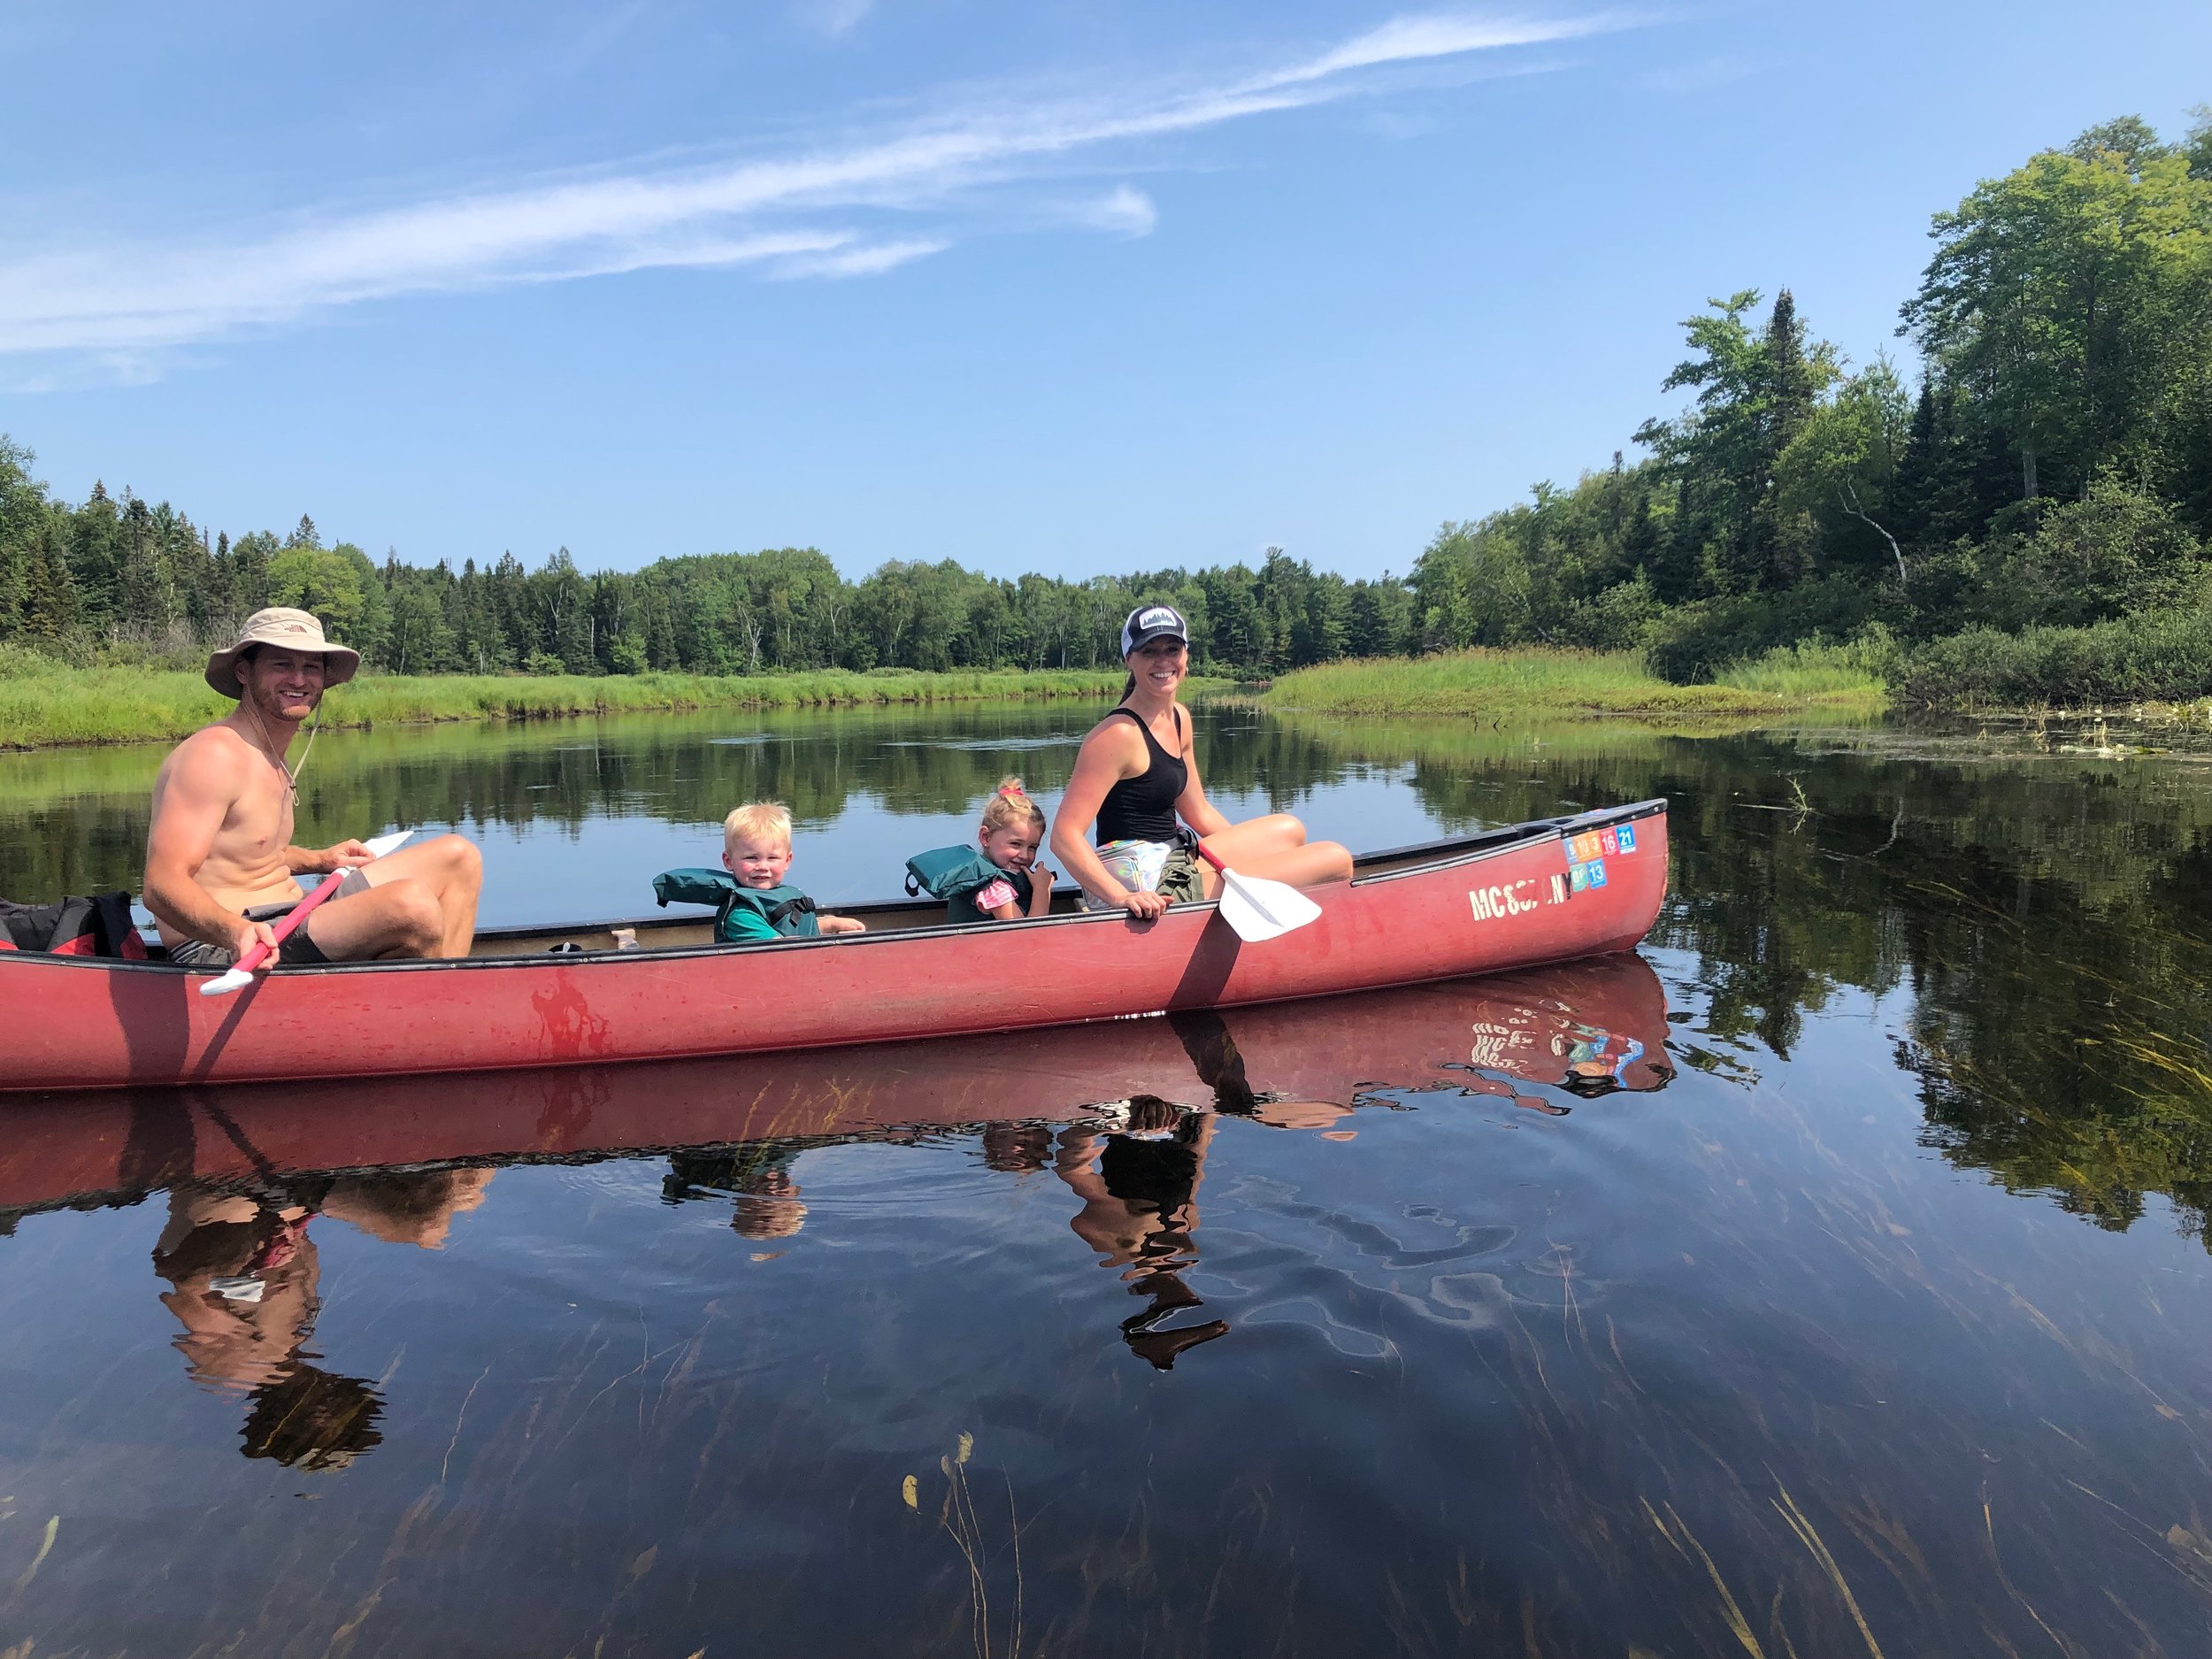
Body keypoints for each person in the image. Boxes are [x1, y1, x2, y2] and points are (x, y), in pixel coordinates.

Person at [142, 607, 483, 972]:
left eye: (311, 668)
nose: (298, 679)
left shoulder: (272, 753)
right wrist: (234, 931)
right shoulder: (214, 755)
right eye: (281, 665)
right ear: (243, 671)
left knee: (457, 856)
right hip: (226, 946)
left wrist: (322, 860)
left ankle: (442, 991)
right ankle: (432, 1009)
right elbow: (160, 884)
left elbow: (249, 851)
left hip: (295, 911)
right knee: (410, 904)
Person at [1048, 603, 1352, 919]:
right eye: (1149, 651)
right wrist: (1121, 896)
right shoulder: (1116, 735)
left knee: (1290, 831)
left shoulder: (1179, 717)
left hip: (1177, 859)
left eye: (1172, 648)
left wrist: (1248, 863)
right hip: (1149, 885)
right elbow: (1064, 837)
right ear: (1129, 659)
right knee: (1336, 859)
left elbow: (1199, 812)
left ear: (1186, 655)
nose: (1163, 661)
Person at [653, 801, 864, 944]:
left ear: (787, 861)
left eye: (772, 858)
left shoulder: (777, 897)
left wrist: (828, 925)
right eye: (751, 858)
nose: (762, 866)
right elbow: (783, 949)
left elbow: (789, 926)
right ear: (728, 861)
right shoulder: (741, 916)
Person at [904, 777, 1057, 924]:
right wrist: (1042, 889)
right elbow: (1029, 935)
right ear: (986, 838)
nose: (1024, 855)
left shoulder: (991, 877)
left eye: (1032, 847)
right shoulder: (995, 888)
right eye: (1016, 844)